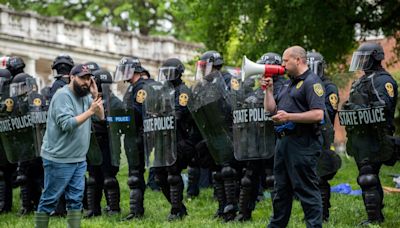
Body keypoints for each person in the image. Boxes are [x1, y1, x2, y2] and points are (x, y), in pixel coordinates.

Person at [34, 64, 104, 228]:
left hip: (78, 159)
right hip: (58, 158)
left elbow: (101, 117)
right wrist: (90, 111)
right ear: (72, 77)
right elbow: (67, 124)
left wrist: (95, 96)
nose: (86, 82)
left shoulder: (86, 96)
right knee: (50, 198)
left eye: (88, 78)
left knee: (75, 199)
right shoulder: (62, 95)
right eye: (82, 78)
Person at [263, 46, 324, 228]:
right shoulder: (288, 83)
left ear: (298, 60)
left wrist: (289, 117)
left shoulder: (312, 82)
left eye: (285, 60)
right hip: (283, 143)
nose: (282, 65)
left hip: (302, 143)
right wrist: (268, 91)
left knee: (306, 190)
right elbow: (270, 110)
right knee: (280, 190)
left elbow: (318, 115)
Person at [341, 42, 398, 225]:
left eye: (365, 57)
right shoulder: (361, 81)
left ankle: (374, 219)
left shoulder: (383, 81)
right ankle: (376, 215)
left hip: (377, 136)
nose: (362, 62)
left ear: (374, 57)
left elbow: (384, 108)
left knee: (368, 176)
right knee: (367, 176)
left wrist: (357, 108)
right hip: (360, 138)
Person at [188, 50, 239, 221]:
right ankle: (221, 206)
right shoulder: (203, 84)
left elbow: (234, 103)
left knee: (227, 170)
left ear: (212, 65)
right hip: (211, 133)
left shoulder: (228, 80)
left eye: (204, 66)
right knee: (216, 171)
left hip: (227, 131)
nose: (202, 70)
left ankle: (231, 208)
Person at [147, 58, 196, 221]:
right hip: (163, 139)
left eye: (170, 72)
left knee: (173, 174)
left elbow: (178, 115)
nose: (167, 76)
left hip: (180, 139)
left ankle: (176, 210)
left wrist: (160, 114)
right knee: (159, 176)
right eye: (165, 72)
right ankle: (180, 208)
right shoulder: (162, 91)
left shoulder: (183, 91)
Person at [113, 56, 154, 220]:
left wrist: (117, 111)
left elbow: (136, 113)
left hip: (138, 135)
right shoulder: (132, 87)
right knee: (133, 173)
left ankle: (136, 212)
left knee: (135, 175)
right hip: (131, 134)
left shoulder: (141, 88)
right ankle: (136, 210)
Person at [307, 51, 342, 222]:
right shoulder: (302, 84)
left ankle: (323, 215)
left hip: (322, 136)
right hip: (305, 137)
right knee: (309, 177)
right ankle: (313, 213)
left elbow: (328, 113)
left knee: (320, 176)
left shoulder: (329, 88)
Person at [85, 68, 123, 217]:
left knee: (109, 178)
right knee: (93, 178)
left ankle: (113, 208)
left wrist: (106, 121)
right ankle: (93, 210)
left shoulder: (115, 102)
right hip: (93, 144)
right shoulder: (90, 101)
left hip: (110, 144)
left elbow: (124, 121)